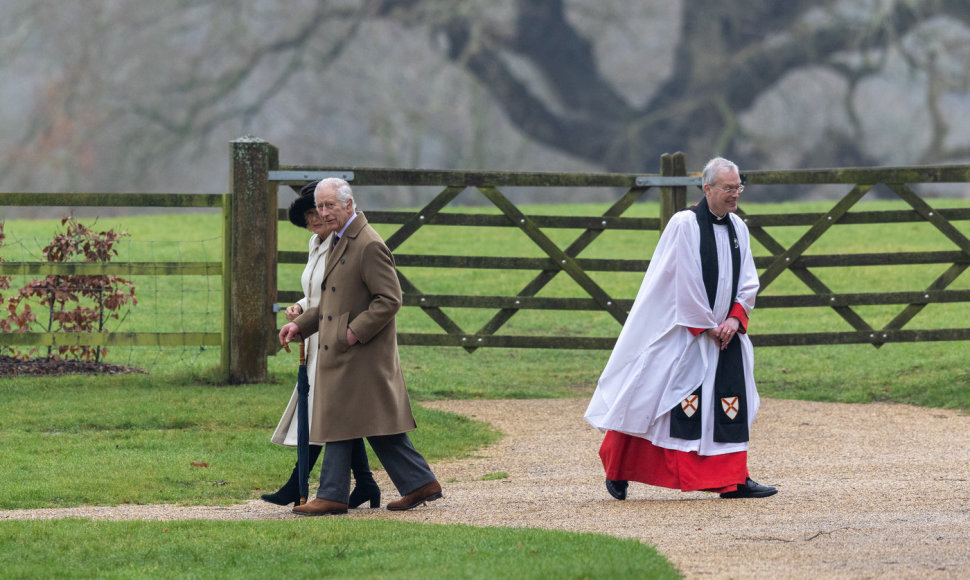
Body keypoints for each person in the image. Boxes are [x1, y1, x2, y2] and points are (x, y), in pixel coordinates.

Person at [584, 157, 777, 500]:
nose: (735, 195)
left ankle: (733, 479)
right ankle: (619, 468)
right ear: (707, 188)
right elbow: (681, 280)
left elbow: (749, 281)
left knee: (730, 404)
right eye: (729, 189)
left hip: (726, 335)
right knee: (651, 396)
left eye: (739, 188)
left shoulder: (739, 228)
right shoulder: (684, 224)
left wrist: (734, 319)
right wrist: (706, 325)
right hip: (685, 332)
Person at [278, 177, 442, 516]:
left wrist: (353, 332)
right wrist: (299, 325)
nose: (323, 213)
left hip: (361, 350)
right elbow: (327, 304)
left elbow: (390, 299)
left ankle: (334, 494)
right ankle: (418, 483)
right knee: (364, 421)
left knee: (344, 415)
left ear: (349, 204)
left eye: (330, 206)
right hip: (341, 347)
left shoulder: (367, 244)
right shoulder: (337, 240)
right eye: (320, 207)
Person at [261, 182, 381, 509]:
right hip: (316, 336)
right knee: (336, 413)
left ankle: (298, 486)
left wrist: (346, 329)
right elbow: (316, 292)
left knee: (325, 413)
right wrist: (299, 308)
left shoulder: (342, 247)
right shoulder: (315, 244)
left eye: (320, 212)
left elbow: (352, 296)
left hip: (336, 338)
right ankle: (367, 484)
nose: (315, 219)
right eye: (309, 214)